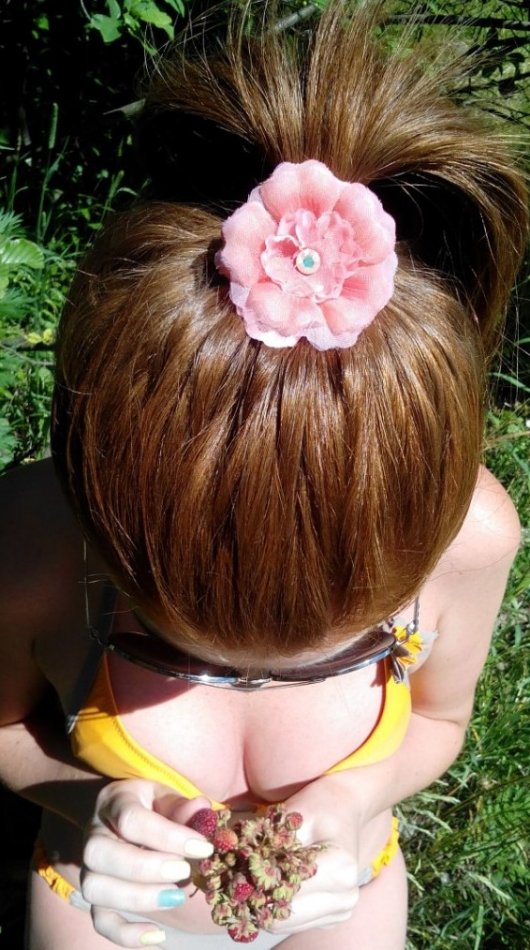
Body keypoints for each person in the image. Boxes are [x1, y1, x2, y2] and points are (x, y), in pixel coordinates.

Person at [0, 2, 527, 948]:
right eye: (175, 642)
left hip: (342, 902)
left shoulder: (475, 541)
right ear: (94, 513)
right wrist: (87, 800)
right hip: (100, 903)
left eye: (345, 649)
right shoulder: (31, 535)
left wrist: (358, 799)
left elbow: (441, 724)